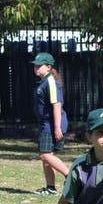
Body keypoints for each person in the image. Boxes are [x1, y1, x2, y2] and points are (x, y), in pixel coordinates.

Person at [31, 52, 69, 195]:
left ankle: (69, 175)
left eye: (39, 66)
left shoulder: (51, 82)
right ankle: (50, 188)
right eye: (35, 66)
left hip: (51, 124)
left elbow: (57, 105)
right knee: (47, 158)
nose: (36, 68)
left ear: (48, 67)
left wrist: (57, 127)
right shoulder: (43, 82)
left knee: (45, 155)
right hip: (45, 123)